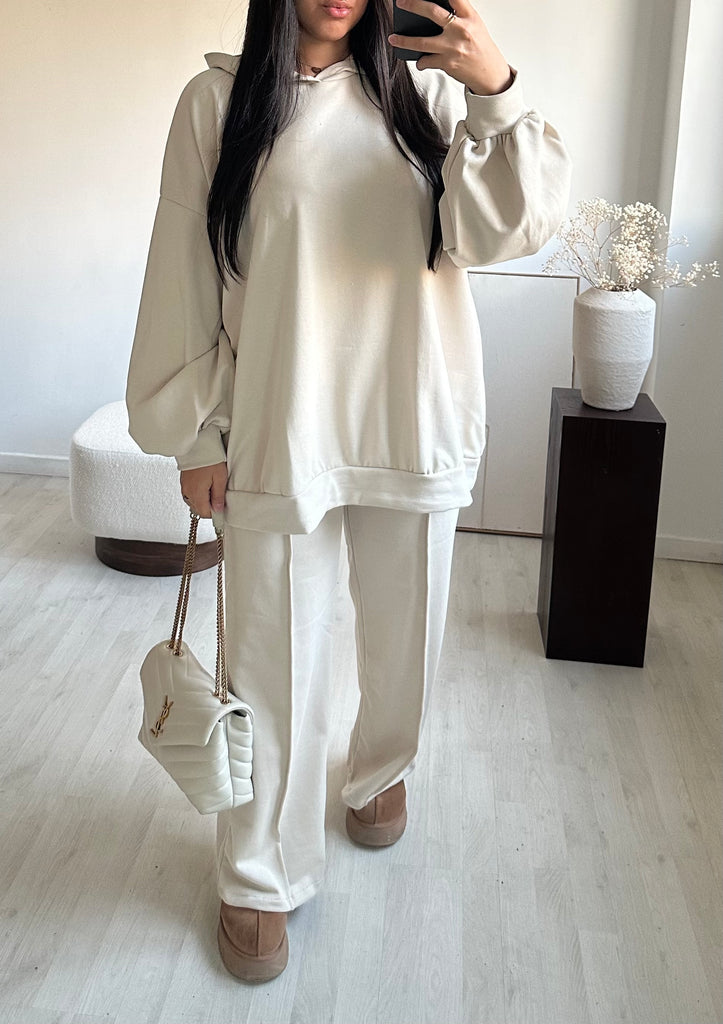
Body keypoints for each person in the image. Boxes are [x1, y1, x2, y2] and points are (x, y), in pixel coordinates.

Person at [126, 0, 572, 983]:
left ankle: (379, 769)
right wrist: (194, 433)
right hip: (280, 421)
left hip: (414, 411)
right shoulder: (216, 103)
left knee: (405, 642)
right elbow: (182, 273)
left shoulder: (426, 93)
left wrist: (495, 89)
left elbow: (503, 232)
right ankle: (258, 874)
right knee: (270, 657)